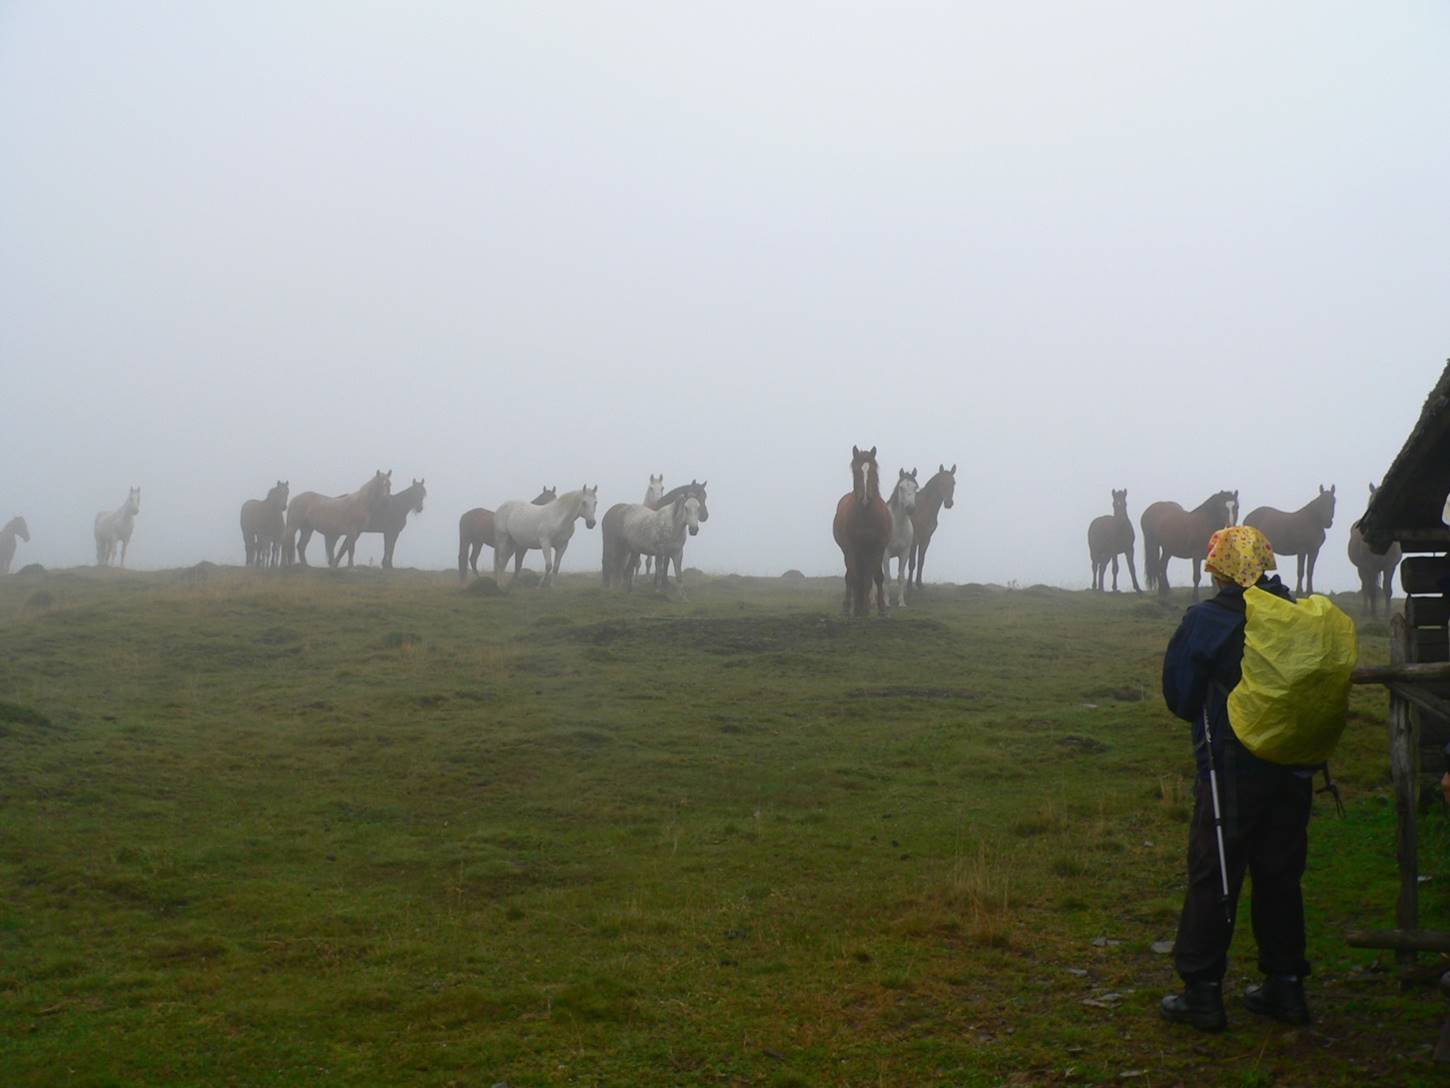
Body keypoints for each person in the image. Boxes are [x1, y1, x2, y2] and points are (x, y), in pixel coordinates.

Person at [1158, 525, 1315, 1032]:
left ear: (1220, 569)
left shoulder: (1206, 620)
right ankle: (1286, 988)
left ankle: (1203, 993)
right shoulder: (1294, 613)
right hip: (1291, 762)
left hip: (1231, 767)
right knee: (1281, 873)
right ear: (1265, 562)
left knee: (1215, 872)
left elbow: (1182, 697)